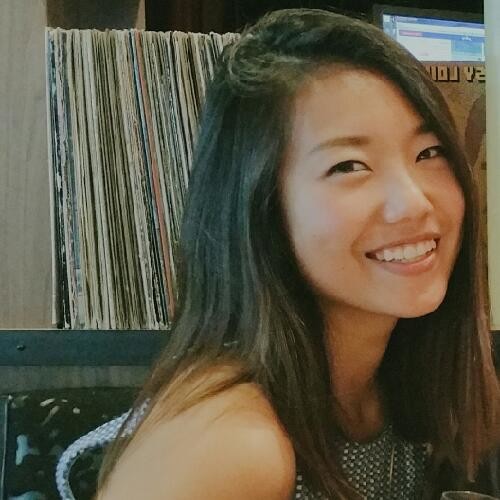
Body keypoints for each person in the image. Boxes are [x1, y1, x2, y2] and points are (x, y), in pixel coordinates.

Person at [95, 8, 500, 499]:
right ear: (260, 204)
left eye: (429, 153)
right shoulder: (230, 448)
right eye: (349, 166)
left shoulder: (405, 381)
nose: (414, 202)